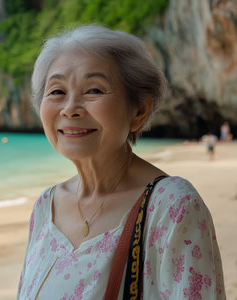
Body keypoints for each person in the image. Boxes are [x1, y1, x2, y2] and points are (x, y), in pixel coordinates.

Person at [17, 25, 225, 299]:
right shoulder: (46, 207)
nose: (69, 108)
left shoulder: (172, 207)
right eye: (56, 91)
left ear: (138, 111)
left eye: (93, 90)